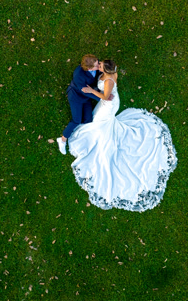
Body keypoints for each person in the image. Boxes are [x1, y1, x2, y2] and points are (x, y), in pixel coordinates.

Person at [66, 60, 177, 211]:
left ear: (106, 70)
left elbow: (105, 97)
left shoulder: (109, 80)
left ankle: (102, 139)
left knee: (100, 122)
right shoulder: (109, 72)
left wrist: (91, 91)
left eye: (100, 66)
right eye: (98, 64)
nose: (98, 66)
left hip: (108, 104)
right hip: (107, 102)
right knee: (97, 119)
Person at [56, 54, 107, 155]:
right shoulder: (78, 74)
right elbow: (85, 91)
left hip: (87, 97)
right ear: (89, 68)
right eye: (97, 66)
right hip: (76, 96)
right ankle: (62, 139)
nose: (98, 67)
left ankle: (81, 139)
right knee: (77, 120)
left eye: (98, 63)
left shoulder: (95, 64)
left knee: (88, 120)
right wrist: (101, 99)